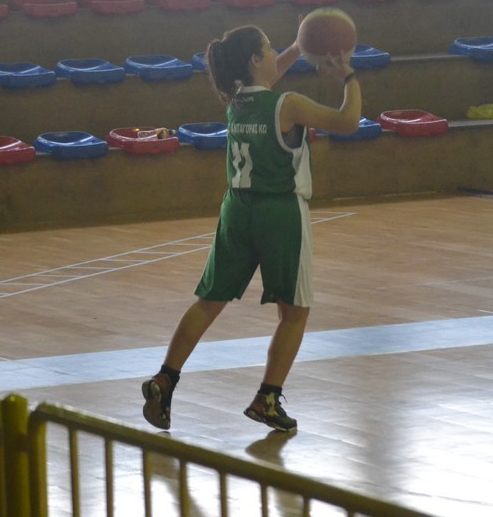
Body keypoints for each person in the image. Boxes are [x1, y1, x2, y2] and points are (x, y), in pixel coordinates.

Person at [141, 23, 362, 433]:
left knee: (209, 301)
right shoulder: (289, 105)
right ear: (255, 60)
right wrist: (348, 77)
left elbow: (269, 78)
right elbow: (349, 122)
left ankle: (165, 378)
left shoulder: (237, 101)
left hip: (236, 209)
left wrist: (299, 46)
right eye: (270, 49)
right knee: (294, 313)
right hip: (279, 213)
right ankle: (267, 398)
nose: (276, 54)